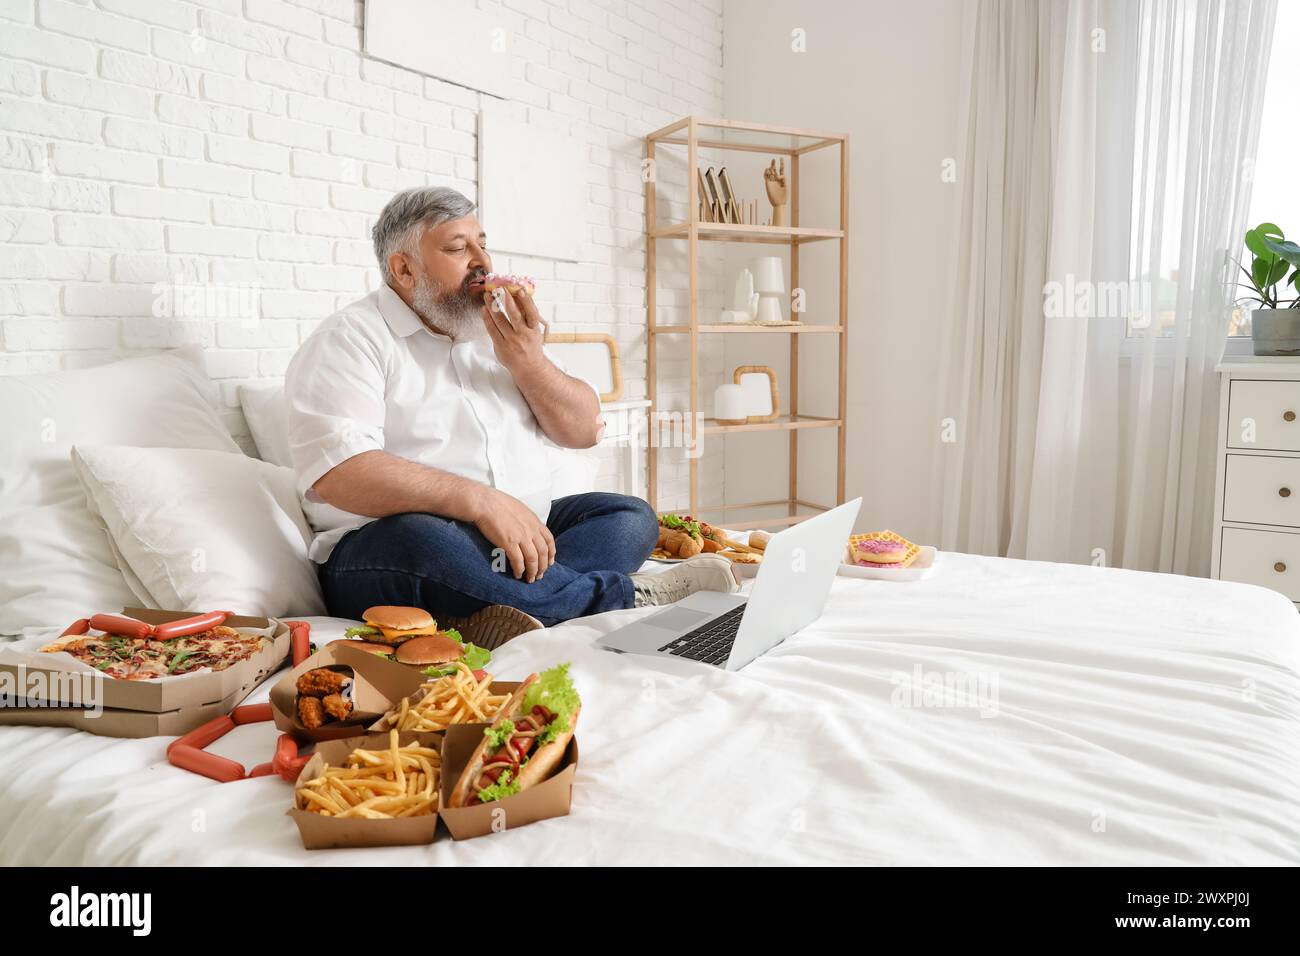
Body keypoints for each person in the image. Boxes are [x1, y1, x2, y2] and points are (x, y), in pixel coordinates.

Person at [284, 186, 739, 631]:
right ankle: (620, 597)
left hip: (519, 541)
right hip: (387, 552)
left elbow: (584, 430)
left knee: (628, 516)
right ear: (403, 269)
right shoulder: (348, 340)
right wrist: (480, 501)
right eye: (458, 248)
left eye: (483, 245)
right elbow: (341, 473)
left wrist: (529, 360)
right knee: (425, 539)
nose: (482, 263)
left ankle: (496, 606)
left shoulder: (499, 332)